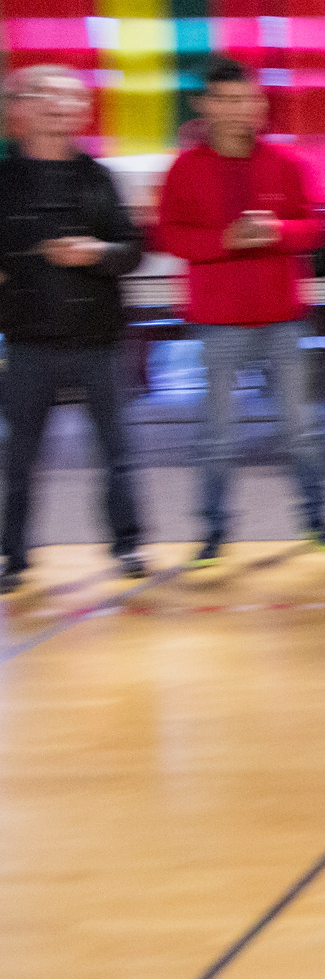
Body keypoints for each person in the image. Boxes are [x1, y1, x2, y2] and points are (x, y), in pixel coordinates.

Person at [156, 57, 325, 564]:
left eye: (250, 99)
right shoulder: (185, 167)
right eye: (229, 99)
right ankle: (214, 530)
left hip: (283, 317)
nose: (242, 109)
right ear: (206, 105)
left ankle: (317, 519)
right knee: (217, 435)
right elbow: (170, 235)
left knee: (303, 428)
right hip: (217, 321)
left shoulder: (286, 162)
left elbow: (318, 226)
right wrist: (225, 240)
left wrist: (278, 231)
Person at [0, 65, 145, 588]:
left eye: (72, 98)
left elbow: (132, 250)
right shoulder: (5, 179)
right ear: (22, 108)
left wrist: (96, 252)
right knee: (19, 458)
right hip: (29, 339)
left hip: (98, 337)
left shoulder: (97, 176)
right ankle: (14, 556)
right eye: (48, 96)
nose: (61, 106)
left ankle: (127, 545)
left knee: (117, 453)